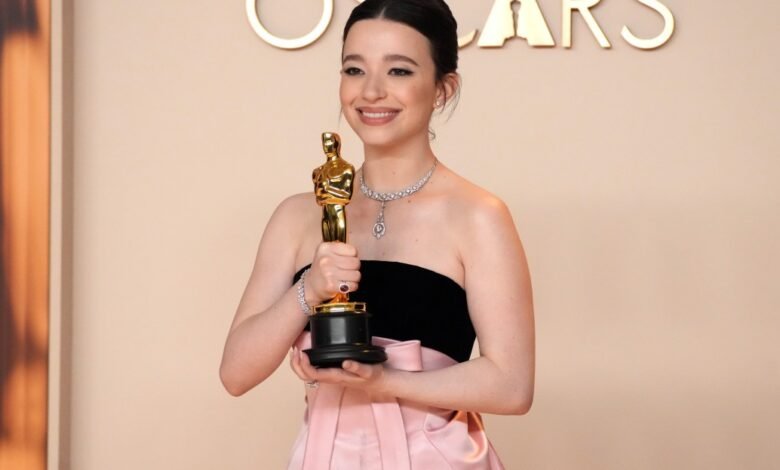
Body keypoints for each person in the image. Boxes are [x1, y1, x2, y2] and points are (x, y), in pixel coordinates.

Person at [220, 0, 535, 467]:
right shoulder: (299, 215)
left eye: (399, 72)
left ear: (443, 89)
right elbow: (236, 373)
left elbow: (512, 385)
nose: (371, 91)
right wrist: (308, 291)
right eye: (354, 69)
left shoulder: (478, 215)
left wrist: (383, 382)